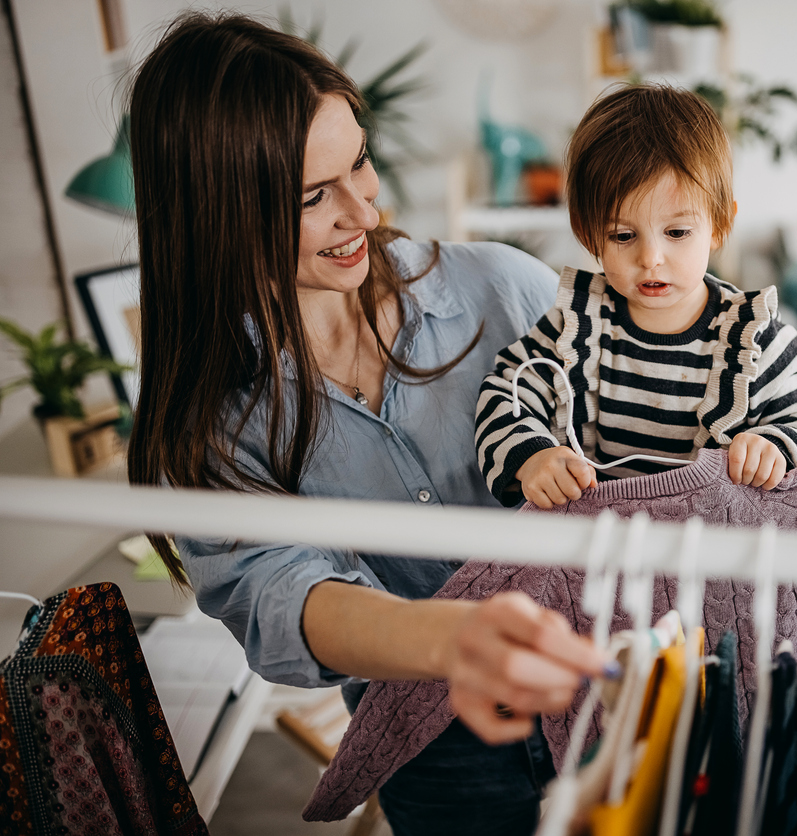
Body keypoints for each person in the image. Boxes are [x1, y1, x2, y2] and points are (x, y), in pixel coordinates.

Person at [125, 13, 606, 835]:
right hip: (438, 756)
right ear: (215, 214)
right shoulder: (210, 423)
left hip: (610, 687)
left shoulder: (503, 291)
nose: (364, 212)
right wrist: (448, 638)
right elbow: (278, 594)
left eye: (359, 163)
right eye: (313, 197)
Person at [475, 84, 797, 509]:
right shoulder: (575, 328)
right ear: (588, 231)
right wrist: (533, 457)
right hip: (599, 550)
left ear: (720, 225)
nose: (650, 258)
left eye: (677, 233)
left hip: (710, 556)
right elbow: (504, 393)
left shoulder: (759, 341)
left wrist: (774, 446)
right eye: (623, 235)